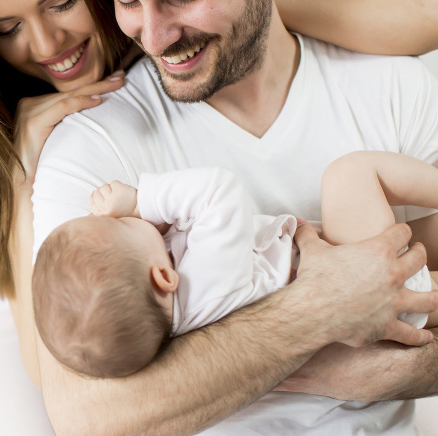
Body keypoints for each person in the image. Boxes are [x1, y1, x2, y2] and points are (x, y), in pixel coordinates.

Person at [0, 0, 438, 436]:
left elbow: (422, 12)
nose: (46, 45)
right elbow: (73, 402)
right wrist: (322, 314)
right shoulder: (57, 151)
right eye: (6, 28)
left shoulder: (376, 82)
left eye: (65, 1)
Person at [32, 155, 438, 380]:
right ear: (162, 277)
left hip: (357, 290)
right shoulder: (205, 280)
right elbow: (219, 191)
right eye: (120, 227)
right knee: (348, 174)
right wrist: (142, 202)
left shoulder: (184, 319)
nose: (122, 219)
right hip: (368, 288)